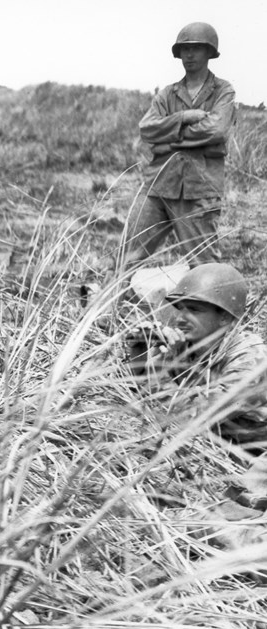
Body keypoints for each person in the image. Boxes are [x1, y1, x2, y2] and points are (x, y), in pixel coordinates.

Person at [123, 263, 267, 510]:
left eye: (194, 310)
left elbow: (198, 413)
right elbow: (143, 396)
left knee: (243, 511)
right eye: (180, 309)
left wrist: (159, 374)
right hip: (221, 448)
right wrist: (140, 353)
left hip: (256, 454)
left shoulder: (250, 358)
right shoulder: (188, 346)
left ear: (225, 316)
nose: (180, 318)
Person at [123, 22, 235, 268]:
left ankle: (207, 308)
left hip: (198, 189)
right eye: (184, 49)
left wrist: (171, 140)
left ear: (209, 52)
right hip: (158, 185)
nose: (190, 54)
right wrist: (183, 118)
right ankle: (112, 306)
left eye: (196, 48)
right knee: (128, 258)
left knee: (204, 265)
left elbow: (216, 129)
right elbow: (147, 128)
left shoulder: (222, 91)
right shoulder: (167, 94)